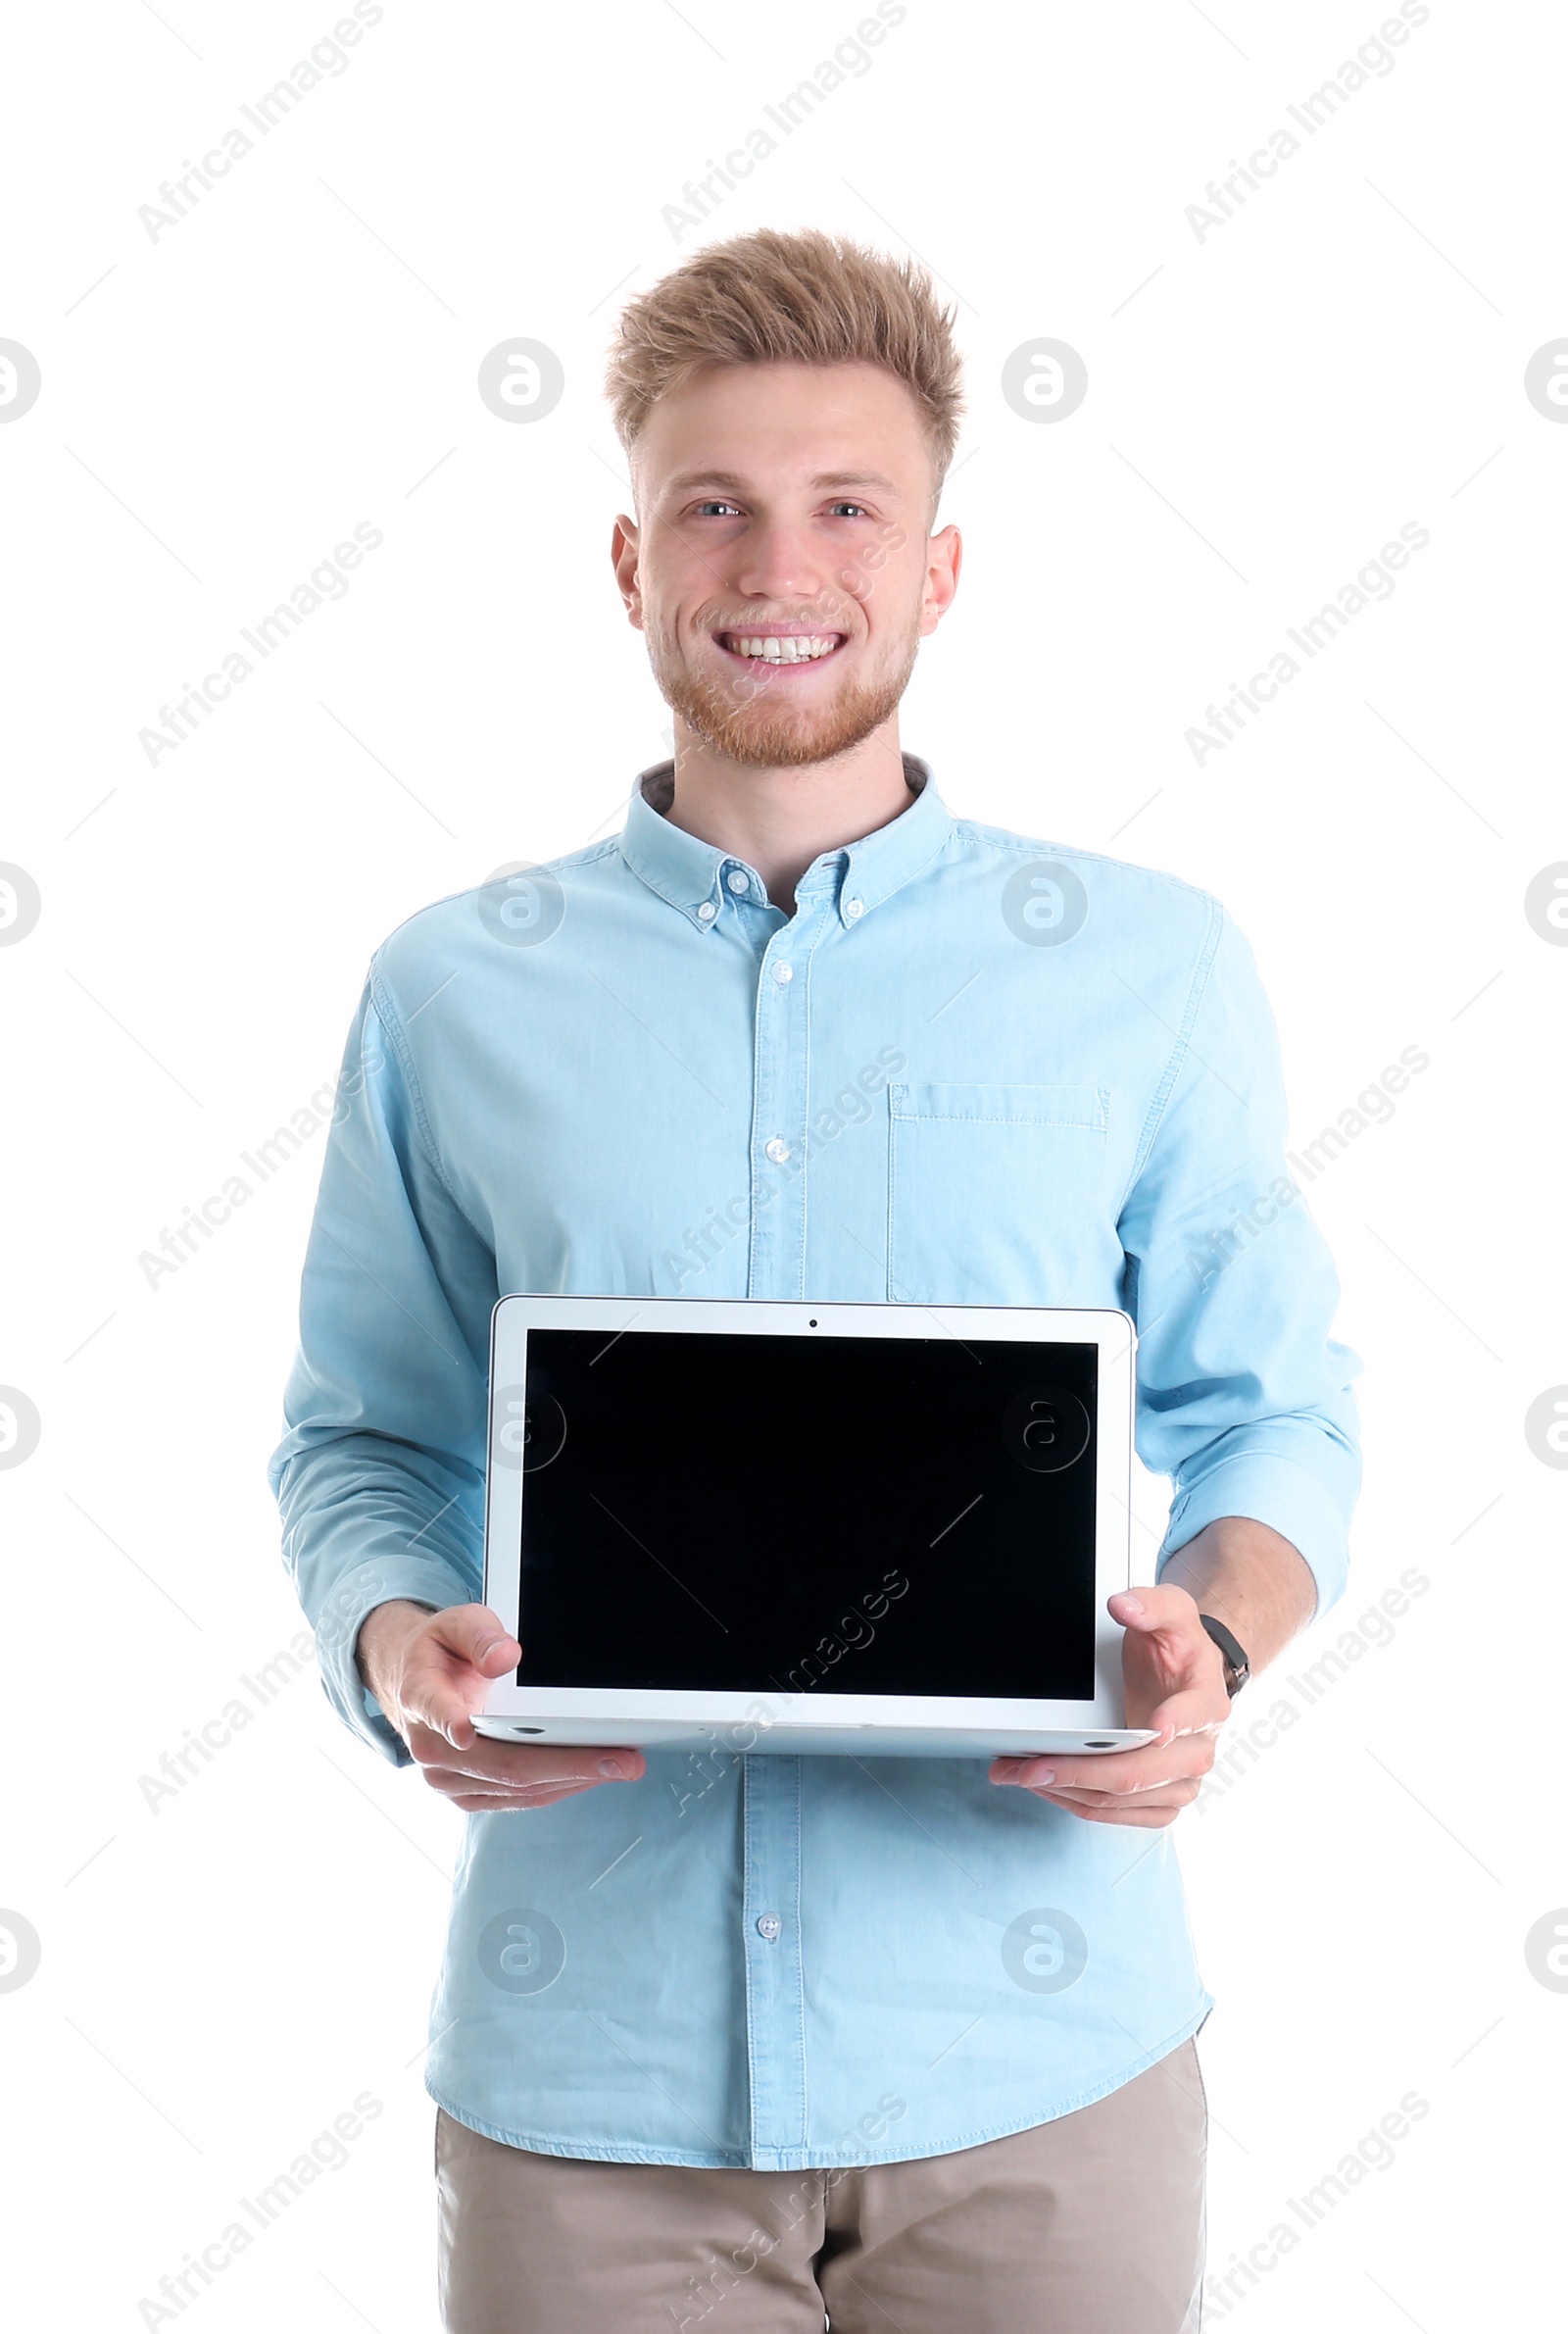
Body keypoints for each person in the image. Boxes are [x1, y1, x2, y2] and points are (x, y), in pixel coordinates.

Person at [270, 226, 1361, 2333]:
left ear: (936, 569)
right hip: (583, 2087)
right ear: (628, 561)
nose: (780, 565)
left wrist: (1210, 1643)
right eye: (715, 506)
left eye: (845, 505)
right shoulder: (451, 988)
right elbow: (361, 1433)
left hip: (1042, 2078)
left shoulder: (1146, 969)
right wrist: (399, 1640)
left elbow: (1277, 1413)